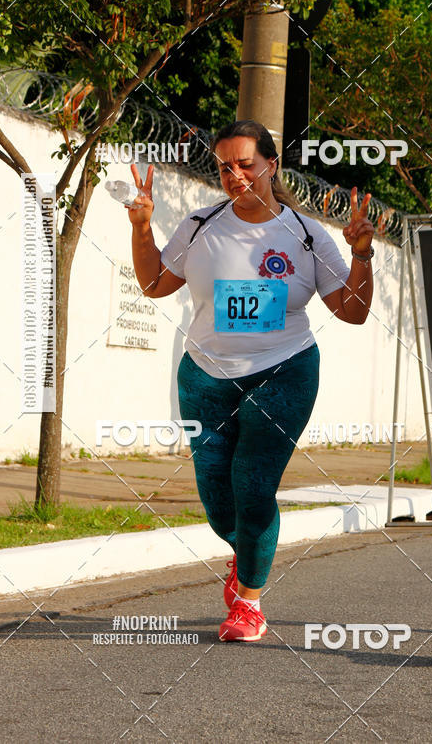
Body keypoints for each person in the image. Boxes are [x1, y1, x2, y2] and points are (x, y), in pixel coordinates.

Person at [128, 119, 375, 642]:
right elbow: (153, 284)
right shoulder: (199, 225)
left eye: (245, 163)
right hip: (205, 376)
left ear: (271, 165)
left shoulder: (305, 235)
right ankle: (247, 557)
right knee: (217, 496)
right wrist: (143, 228)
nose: (235, 174)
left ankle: (250, 603)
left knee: (253, 482)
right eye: (225, 165)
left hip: (284, 371)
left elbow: (351, 312)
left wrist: (360, 255)